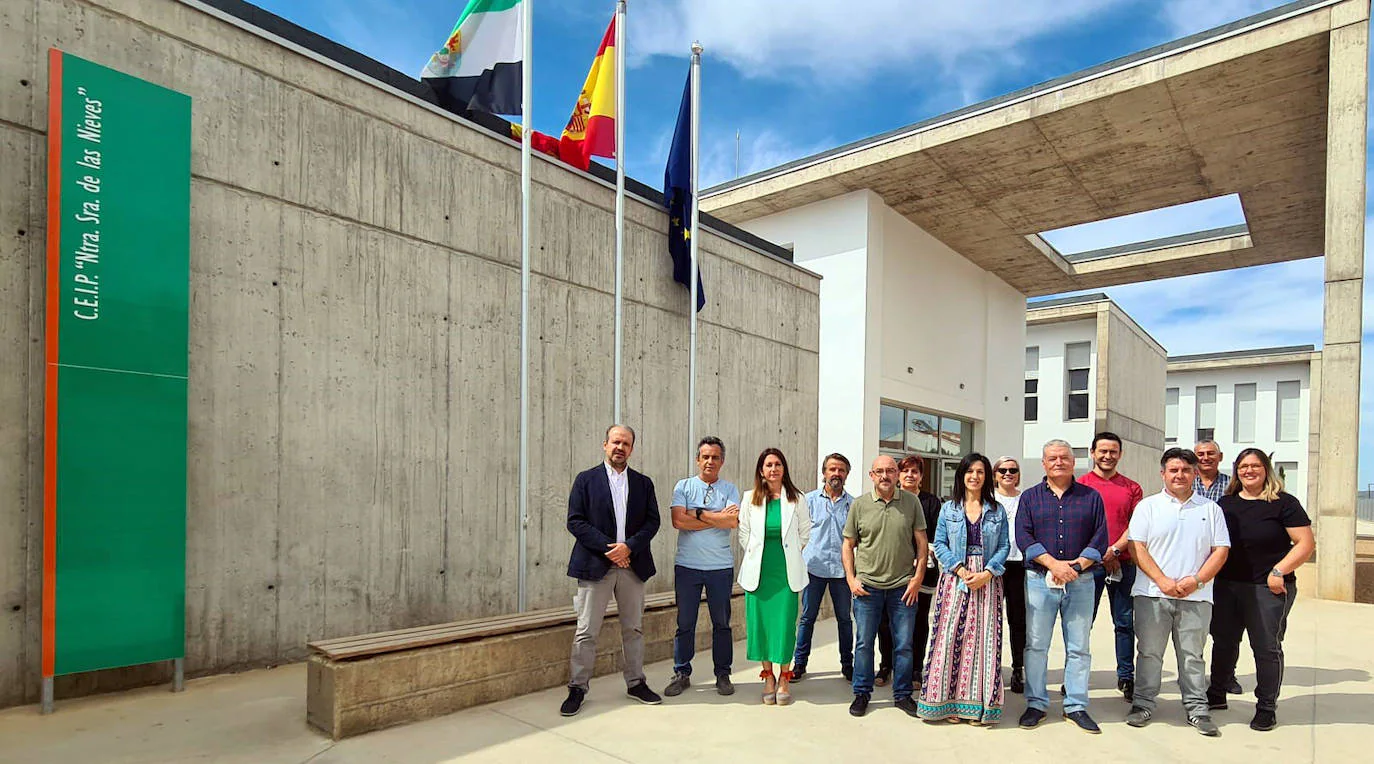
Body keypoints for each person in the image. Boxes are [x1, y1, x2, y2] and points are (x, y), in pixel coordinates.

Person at [1124, 447, 1230, 737]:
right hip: (1152, 594)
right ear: (1163, 474)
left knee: (1192, 656)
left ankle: (1197, 709)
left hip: (1196, 596)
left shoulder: (1210, 509)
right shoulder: (1148, 507)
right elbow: (1136, 547)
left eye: (1186, 470)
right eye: (1174, 470)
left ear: (1195, 473)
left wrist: (1196, 581)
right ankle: (1143, 705)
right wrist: (1162, 580)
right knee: (1149, 653)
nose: (1179, 475)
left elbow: (1221, 550)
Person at [1208, 448, 1315, 731]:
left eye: (1255, 466)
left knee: (1266, 648)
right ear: (1236, 471)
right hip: (1228, 586)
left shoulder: (1284, 503)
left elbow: (1305, 543)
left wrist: (1279, 570)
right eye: (1243, 466)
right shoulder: (1226, 503)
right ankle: (1217, 693)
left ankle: (1266, 706)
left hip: (1268, 588)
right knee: (1224, 641)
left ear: (1266, 469)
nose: (1249, 471)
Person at [561, 425, 663, 716]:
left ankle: (635, 683)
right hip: (596, 566)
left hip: (632, 566)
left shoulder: (643, 483)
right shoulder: (586, 480)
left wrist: (628, 547)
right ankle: (577, 688)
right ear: (605, 444)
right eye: (616, 442)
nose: (620, 447)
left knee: (633, 629)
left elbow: (652, 522)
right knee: (586, 631)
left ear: (632, 449)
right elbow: (576, 521)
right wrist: (611, 549)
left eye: (626, 443)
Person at [1015, 439, 1108, 734]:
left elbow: (1100, 538)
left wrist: (1075, 566)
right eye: (1052, 458)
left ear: (1073, 462)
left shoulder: (1091, 497)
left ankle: (1076, 705)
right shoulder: (1029, 498)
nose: (1058, 462)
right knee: (1037, 644)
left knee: (1079, 647)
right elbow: (1023, 535)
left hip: (1080, 580)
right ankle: (1037, 703)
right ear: (1043, 463)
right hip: (1039, 580)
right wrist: (1053, 564)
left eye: (1064, 457)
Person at [918, 453, 1010, 725]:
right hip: (955, 578)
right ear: (961, 475)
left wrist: (987, 572)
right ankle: (947, 704)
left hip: (987, 579)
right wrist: (959, 569)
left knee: (983, 641)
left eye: (980, 471)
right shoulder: (950, 509)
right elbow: (940, 544)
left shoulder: (997, 510)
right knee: (949, 638)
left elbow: (1005, 546)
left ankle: (979, 706)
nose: (975, 476)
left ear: (987, 477)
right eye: (970, 471)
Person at [843, 455, 929, 718]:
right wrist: (850, 579)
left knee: (903, 644)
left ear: (896, 475)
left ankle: (902, 695)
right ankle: (861, 693)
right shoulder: (859, 505)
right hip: (867, 587)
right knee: (864, 643)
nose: (885, 476)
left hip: (902, 587)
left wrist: (917, 579)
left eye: (890, 471)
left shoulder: (911, 502)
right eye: (879, 471)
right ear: (871, 475)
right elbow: (848, 545)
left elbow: (922, 544)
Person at [664, 436, 742, 698]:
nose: (710, 461)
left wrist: (697, 513)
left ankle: (723, 673)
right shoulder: (683, 486)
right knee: (685, 623)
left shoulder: (730, 489)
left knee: (722, 623)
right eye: (705, 457)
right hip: (687, 566)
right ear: (698, 459)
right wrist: (715, 517)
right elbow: (678, 521)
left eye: (715, 457)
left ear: (722, 461)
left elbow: (732, 522)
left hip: (720, 567)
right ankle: (681, 672)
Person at [739, 448, 811, 705]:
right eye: (768, 465)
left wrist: (790, 554)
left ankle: (784, 678)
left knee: (783, 626)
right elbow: (743, 533)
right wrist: (755, 555)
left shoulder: (797, 498)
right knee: (761, 626)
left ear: (784, 468)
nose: (773, 469)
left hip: (785, 573)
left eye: (778, 464)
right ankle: (768, 676)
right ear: (761, 470)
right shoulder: (750, 498)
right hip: (759, 573)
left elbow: (804, 533)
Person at [1079, 432, 1144, 703]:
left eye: (1113, 451)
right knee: (1082, 624)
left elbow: (1137, 525)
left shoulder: (1132, 488)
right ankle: (1077, 676)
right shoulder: (1080, 485)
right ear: (1092, 453)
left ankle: (1126, 676)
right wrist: (1099, 554)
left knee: (1124, 623)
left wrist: (1115, 549)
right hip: (1087, 566)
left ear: (1120, 454)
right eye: (1102, 451)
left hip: (1124, 564)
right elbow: (1075, 525)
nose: (1107, 456)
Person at [876, 456, 940, 691]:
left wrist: (921, 558)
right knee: (886, 621)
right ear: (898, 475)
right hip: (892, 571)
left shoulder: (931, 503)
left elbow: (934, 536)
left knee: (918, 620)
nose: (910, 475)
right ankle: (886, 664)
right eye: (905, 471)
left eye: (915, 471)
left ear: (921, 476)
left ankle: (915, 668)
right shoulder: (890, 499)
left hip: (923, 571)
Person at [792, 453, 855, 682]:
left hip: (841, 571)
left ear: (847, 474)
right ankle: (799, 664)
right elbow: (797, 532)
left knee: (845, 620)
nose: (836, 474)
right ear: (824, 473)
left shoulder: (853, 504)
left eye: (841, 470)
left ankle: (847, 665)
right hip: (813, 569)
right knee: (807, 618)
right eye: (832, 469)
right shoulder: (807, 501)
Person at [992, 456, 1027, 694]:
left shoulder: (1026, 498)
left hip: (1020, 564)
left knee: (1018, 620)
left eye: (1012, 470)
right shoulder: (988, 499)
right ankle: (992, 668)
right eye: (1002, 470)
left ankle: (1018, 668)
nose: (1008, 473)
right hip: (994, 565)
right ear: (995, 474)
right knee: (991, 620)